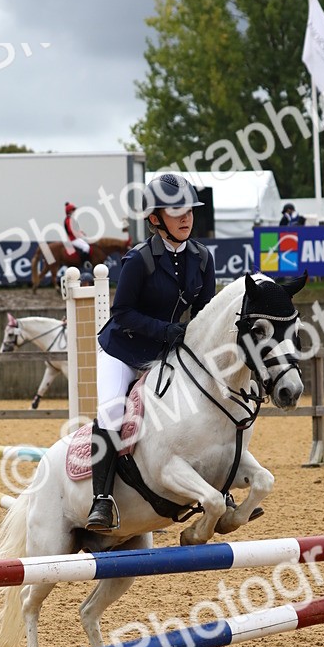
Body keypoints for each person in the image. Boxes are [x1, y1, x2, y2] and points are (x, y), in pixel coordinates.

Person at [86, 172, 214, 532]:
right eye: (177, 212)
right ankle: (102, 499)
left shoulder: (202, 259)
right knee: (112, 411)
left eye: (189, 210)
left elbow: (204, 313)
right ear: (156, 219)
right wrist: (166, 330)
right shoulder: (138, 260)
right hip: (124, 351)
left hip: (167, 351)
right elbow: (122, 313)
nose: (186, 217)